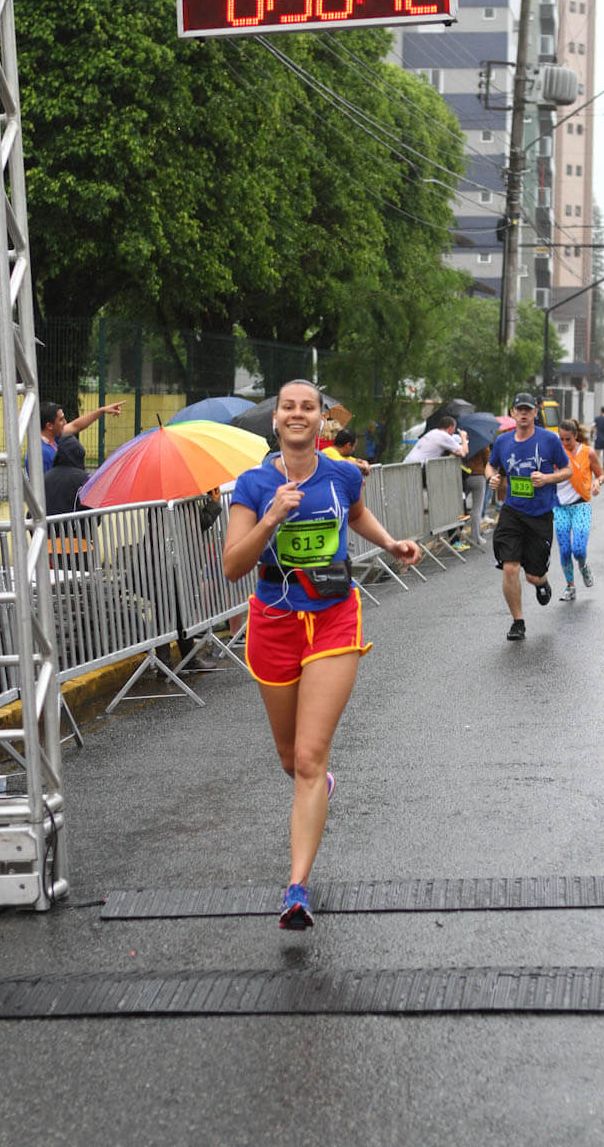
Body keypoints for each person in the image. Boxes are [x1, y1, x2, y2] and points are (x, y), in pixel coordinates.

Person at [223, 378, 422, 931]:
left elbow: (355, 516)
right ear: (276, 420)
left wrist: (390, 543)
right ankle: (317, 786)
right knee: (291, 761)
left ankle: (296, 889)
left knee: (310, 758)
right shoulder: (254, 483)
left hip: (334, 616)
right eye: (288, 407)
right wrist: (270, 519)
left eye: (307, 407)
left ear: (321, 421)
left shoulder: (340, 472)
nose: (297, 415)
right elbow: (233, 566)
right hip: (274, 623)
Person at [484, 392, 572, 641]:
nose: (523, 413)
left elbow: (567, 469)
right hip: (512, 511)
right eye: (519, 409)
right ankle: (518, 622)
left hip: (540, 513)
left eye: (528, 410)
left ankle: (541, 582)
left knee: (532, 575)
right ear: (512, 413)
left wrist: (547, 478)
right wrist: (491, 477)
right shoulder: (502, 442)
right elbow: (491, 465)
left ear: (535, 413)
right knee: (510, 567)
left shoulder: (549, 440)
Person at [553, 418, 604, 601]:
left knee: (579, 549)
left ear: (576, 435)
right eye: (562, 439)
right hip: (560, 508)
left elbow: (600, 474)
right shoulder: (556, 453)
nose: (564, 443)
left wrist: (597, 482)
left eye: (568, 439)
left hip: (581, 505)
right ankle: (570, 586)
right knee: (565, 550)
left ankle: (583, 567)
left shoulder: (588, 453)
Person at [39, 399, 125, 473]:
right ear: (49, 426)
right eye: (61, 420)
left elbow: (75, 426)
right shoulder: (41, 453)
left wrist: (101, 411)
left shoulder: (53, 439)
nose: (65, 422)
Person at [44, 433, 88, 516]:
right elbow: (92, 516)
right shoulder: (84, 479)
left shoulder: (45, 477)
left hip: (46, 528)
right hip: (75, 528)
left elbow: (31, 513)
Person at [403, 416, 469, 464]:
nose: (454, 431)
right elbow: (463, 453)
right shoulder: (444, 436)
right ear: (450, 428)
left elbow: (453, 440)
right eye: (454, 428)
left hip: (406, 464)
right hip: (416, 468)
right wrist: (463, 437)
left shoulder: (434, 432)